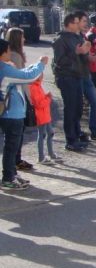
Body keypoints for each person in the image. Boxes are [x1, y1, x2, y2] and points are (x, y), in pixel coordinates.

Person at [0, 39, 48, 190]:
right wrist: (40, 64)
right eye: (8, 50)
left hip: (10, 113)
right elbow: (28, 76)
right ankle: (8, 178)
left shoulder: (5, 67)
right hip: (11, 114)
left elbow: (22, 74)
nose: (10, 53)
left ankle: (12, 174)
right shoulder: (4, 69)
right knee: (11, 147)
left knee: (11, 147)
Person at [52, 12, 90, 152]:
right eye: (75, 22)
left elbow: (81, 58)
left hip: (77, 76)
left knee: (78, 108)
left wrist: (87, 53)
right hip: (66, 77)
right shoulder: (60, 40)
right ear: (69, 24)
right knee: (70, 109)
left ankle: (76, 136)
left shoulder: (76, 37)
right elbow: (60, 61)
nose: (78, 24)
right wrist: (77, 53)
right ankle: (70, 140)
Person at [76, 11, 96, 142]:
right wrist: (95, 56)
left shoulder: (84, 36)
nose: (85, 24)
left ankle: (94, 131)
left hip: (86, 74)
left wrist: (93, 56)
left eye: (86, 22)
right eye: (83, 21)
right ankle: (77, 133)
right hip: (80, 74)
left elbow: (89, 54)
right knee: (77, 105)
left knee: (95, 102)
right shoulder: (88, 35)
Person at [6, 27, 33, 171]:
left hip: (14, 97)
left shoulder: (12, 54)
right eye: (22, 37)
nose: (24, 39)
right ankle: (16, 161)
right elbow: (22, 78)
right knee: (17, 132)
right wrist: (29, 97)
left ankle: (16, 160)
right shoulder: (15, 56)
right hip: (17, 98)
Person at [29, 75, 61, 164]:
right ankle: (41, 157)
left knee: (49, 134)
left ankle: (50, 154)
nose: (42, 76)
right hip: (41, 115)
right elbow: (39, 104)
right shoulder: (33, 87)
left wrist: (46, 96)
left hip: (45, 114)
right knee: (42, 135)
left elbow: (40, 100)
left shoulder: (37, 85)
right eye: (40, 75)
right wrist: (48, 98)